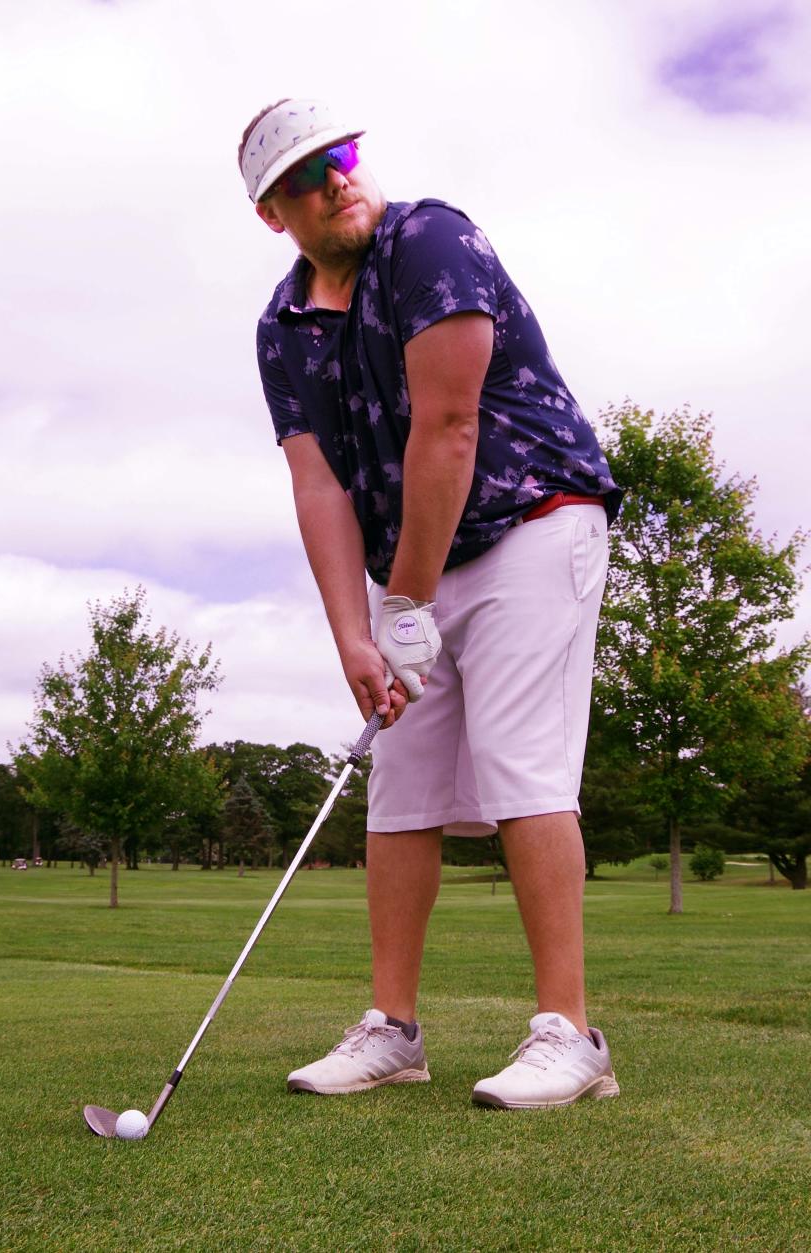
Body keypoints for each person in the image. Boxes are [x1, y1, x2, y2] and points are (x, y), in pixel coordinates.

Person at [240, 98, 622, 1109]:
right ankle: (394, 1030)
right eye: (309, 176)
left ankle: (572, 1033)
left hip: (534, 515)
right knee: (401, 784)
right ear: (274, 212)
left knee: (520, 764)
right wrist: (359, 634)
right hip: (415, 551)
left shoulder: (431, 240)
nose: (339, 178)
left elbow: (447, 430)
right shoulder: (283, 330)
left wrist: (403, 600)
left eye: (345, 155)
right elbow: (318, 484)